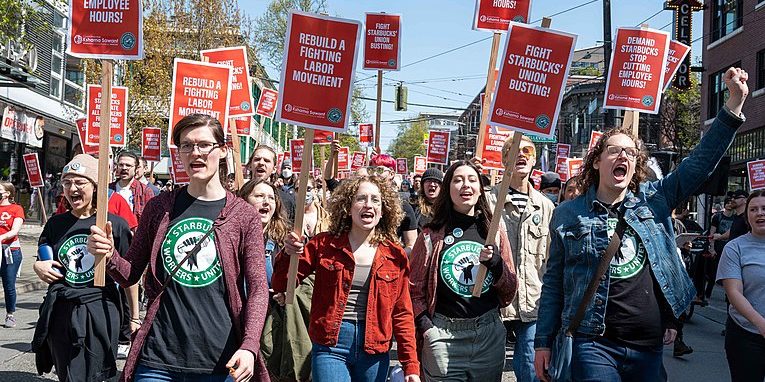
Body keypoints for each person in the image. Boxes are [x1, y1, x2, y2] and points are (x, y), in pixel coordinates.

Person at [534, 67, 749, 382]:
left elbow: (701, 162)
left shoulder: (655, 199)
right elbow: (554, 283)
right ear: (597, 161)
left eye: (630, 153)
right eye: (614, 150)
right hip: (594, 340)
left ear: (635, 164)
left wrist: (734, 105)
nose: (623, 156)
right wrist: (543, 342)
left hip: (647, 344)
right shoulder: (568, 214)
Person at [88, 114, 270, 382]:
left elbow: (257, 288)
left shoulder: (243, 215)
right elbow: (129, 274)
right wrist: (108, 254)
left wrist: (250, 345)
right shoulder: (159, 208)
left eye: (204, 145)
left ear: (222, 150)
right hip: (157, 359)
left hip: (219, 361)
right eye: (186, 145)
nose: (195, 153)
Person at [272, 175, 421, 382]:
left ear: (383, 210)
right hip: (331, 345)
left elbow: (402, 312)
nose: (368, 205)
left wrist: (410, 366)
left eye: (375, 200)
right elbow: (281, 284)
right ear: (347, 207)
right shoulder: (323, 245)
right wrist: (289, 254)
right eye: (361, 199)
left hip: (375, 349)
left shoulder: (395, 255)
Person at [410, 160, 518, 382]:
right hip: (442, 336)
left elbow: (509, 292)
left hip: (489, 337)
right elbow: (414, 290)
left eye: (471, 180)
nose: (465, 185)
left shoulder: (494, 232)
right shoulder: (430, 236)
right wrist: (428, 330)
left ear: (480, 189)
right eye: (457, 180)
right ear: (447, 190)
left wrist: (497, 265)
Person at [31, 154, 133, 381]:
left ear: (95, 186)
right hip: (61, 310)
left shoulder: (115, 225)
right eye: (67, 182)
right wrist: (39, 266)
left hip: (99, 309)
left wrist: (133, 318)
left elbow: (129, 274)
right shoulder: (55, 223)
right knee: (67, 373)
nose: (72, 188)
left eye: (79, 182)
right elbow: (43, 253)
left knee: (92, 374)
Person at [481, 135, 554, 382]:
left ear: (534, 160)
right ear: (503, 159)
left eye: (526, 151)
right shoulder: (487, 200)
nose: (520, 155)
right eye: (513, 151)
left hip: (533, 301)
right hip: (494, 299)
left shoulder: (545, 207)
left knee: (530, 370)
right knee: (488, 368)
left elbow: (551, 257)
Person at [239, 179, 313, 381]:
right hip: (236, 321)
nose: (266, 202)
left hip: (272, 324)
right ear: (244, 200)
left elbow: (305, 279)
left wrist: (289, 292)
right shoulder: (232, 237)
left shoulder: (285, 241)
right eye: (259, 196)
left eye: (271, 198)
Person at [716, 190, 765, 382]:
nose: (760, 213)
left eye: (764, 208)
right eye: (754, 209)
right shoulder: (735, 248)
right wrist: (760, 323)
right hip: (746, 335)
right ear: (747, 216)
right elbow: (734, 292)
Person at [368, 154, 418, 255]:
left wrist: (393, 257)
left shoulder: (403, 206)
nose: (374, 174)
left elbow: (412, 245)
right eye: (371, 170)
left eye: (380, 170)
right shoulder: (361, 203)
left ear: (391, 174)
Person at [248, 145, 296, 223]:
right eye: (257, 159)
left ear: (274, 169)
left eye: (266, 160)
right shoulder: (239, 197)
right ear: (250, 165)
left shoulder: (286, 201)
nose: (261, 163)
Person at [0, 181, 25, 328]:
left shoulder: (16, 209)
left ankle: (10, 315)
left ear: (8, 193)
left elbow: (15, 230)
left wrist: (2, 238)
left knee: (9, 284)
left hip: (10, 251)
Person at [109, 151, 155, 223]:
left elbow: (150, 218)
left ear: (136, 169)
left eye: (128, 165)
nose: (124, 168)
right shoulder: (108, 190)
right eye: (121, 165)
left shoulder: (145, 191)